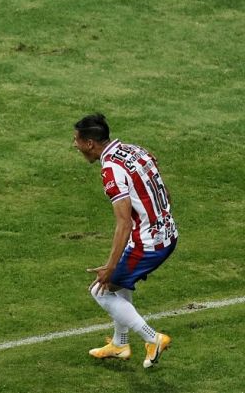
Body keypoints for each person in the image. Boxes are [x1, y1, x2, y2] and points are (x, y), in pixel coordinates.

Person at [72, 113, 178, 368]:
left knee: (101, 289)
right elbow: (161, 187)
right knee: (120, 285)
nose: (74, 145)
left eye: (76, 140)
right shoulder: (133, 150)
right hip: (166, 232)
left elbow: (124, 222)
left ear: (89, 143)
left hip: (148, 243)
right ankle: (120, 344)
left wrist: (109, 266)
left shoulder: (110, 170)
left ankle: (153, 339)